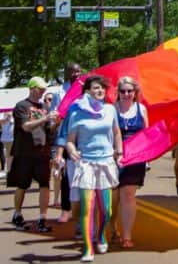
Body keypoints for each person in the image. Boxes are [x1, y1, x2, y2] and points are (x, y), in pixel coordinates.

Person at [65, 75, 122, 262]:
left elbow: (116, 131)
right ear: (88, 91)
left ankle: (101, 235)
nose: (100, 91)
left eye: (103, 88)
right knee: (87, 209)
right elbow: (70, 141)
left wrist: (119, 151)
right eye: (96, 88)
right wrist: (72, 151)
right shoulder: (76, 113)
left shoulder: (110, 110)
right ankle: (88, 248)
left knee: (106, 210)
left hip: (105, 163)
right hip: (86, 164)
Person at [8, 76, 59, 233]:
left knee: (45, 185)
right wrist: (45, 118)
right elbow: (25, 126)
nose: (42, 91)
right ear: (32, 88)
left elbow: (49, 129)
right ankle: (17, 214)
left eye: (44, 89)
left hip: (42, 152)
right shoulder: (21, 106)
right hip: (25, 152)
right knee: (22, 185)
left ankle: (42, 218)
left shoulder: (45, 106)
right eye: (40, 88)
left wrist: (55, 123)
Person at [112, 76, 147, 249]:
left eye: (129, 91)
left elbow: (147, 135)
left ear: (135, 93)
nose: (126, 94)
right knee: (113, 197)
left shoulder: (142, 109)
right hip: (113, 157)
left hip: (135, 158)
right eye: (123, 91)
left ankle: (126, 236)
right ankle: (111, 226)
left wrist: (146, 157)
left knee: (128, 195)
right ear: (118, 93)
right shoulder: (111, 109)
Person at [53, 62, 84, 224]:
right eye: (74, 71)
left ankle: (83, 211)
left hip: (83, 136)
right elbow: (55, 113)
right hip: (65, 134)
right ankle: (66, 209)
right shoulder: (60, 91)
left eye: (79, 71)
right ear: (68, 73)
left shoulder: (86, 88)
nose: (77, 74)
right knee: (66, 176)